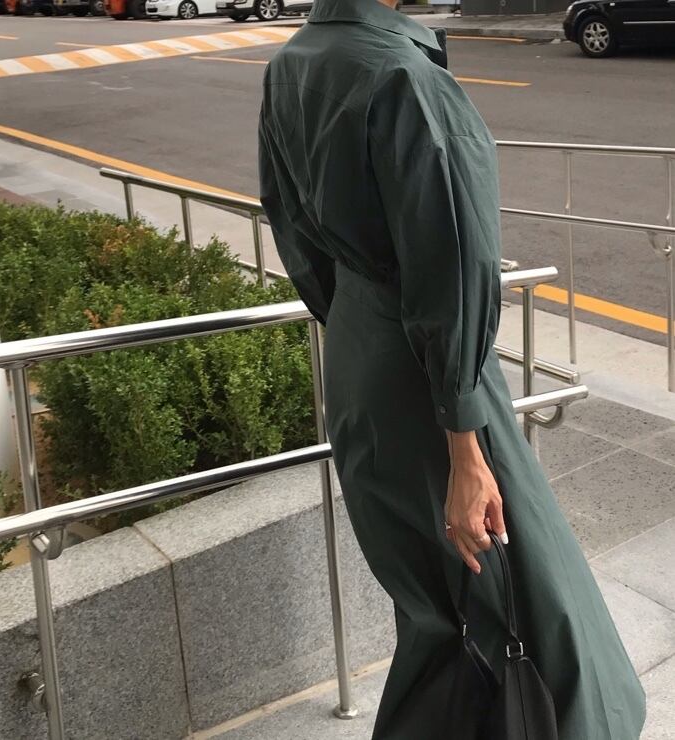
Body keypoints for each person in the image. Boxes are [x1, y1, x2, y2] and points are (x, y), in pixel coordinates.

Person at [257, 0, 646, 737]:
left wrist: (359, 322)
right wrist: (466, 450)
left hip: (359, 357)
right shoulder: (404, 76)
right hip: (429, 382)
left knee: (434, 607)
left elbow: (292, 226)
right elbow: (456, 266)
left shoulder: (293, 63)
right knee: (529, 600)